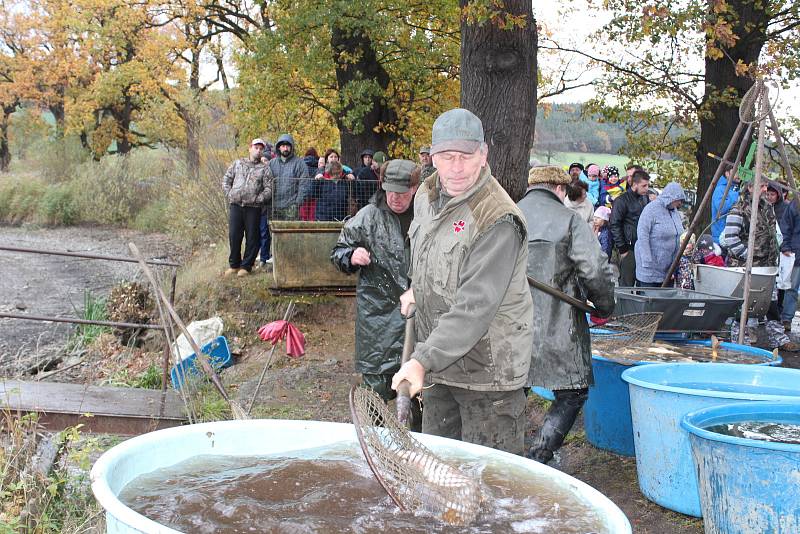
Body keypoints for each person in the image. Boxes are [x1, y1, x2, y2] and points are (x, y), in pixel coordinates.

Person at [390, 108, 533, 455]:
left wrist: (420, 360)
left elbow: (474, 308)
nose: (456, 167)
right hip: (441, 366)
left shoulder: (497, 218)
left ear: (483, 156)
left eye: (466, 156)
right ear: (432, 157)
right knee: (440, 472)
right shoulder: (427, 195)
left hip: (489, 374)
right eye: (446, 156)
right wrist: (417, 288)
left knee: (490, 484)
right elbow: (431, 257)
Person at [518, 165, 615, 464]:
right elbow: (595, 270)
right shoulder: (569, 220)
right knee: (572, 392)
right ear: (559, 189)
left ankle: (502, 451)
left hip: (509, 326)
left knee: (511, 389)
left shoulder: (507, 216)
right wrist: (605, 306)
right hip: (559, 326)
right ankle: (539, 455)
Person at [331, 159, 422, 430]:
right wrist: (351, 255)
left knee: (419, 394)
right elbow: (337, 252)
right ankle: (378, 449)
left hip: (418, 317)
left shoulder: (427, 217)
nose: (395, 198)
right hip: (377, 321)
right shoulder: (368, 216)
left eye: (403, 193)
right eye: (390, 191)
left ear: (415, 188)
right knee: (375, 399)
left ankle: (417, 448)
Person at [723, 180, 798, 351]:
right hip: (745, 267)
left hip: (766, 265)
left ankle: (778, 338)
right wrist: (747, 256)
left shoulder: (766, 207)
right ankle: (740, 337)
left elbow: (774, 233)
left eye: (765, 186)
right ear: (750, 187)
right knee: (743, 305)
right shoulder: (738, 210)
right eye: (762, 186)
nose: (765, 189)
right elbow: (730, 239)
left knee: (770, 304)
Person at [222, 138, 273, 276]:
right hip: (236, 205)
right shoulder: (238, 163)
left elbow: (269, 188)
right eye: (256, 147)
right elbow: (226, 179)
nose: (258, 150)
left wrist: (259, 199)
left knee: (252, 237)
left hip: (253, 207)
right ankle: (234, 265)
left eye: (261, 148)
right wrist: (230, 194)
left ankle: (246, 266)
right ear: (250, 148)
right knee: (234, 235)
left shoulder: (264, 168)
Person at [634, 182, 686, 287]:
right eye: (678, 200)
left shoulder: (674, 211)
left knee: (665, 301)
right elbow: (642, 235)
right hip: (650, 269)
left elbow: (677, 234)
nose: (679, 203)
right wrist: (647, 261)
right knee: (650, 301)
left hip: (668, 269)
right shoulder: (651, 209)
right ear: (671, 197)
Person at [610, 169, 650, 286]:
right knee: (626, 284)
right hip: (628, 248)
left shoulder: (644, 198)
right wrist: (622, 249)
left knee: (641, 283)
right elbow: (614, 224)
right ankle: (623, 305)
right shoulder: (621, 201)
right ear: (635, 184)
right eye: (644, 185)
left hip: (642, 246)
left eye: (648, 185)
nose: (647, 188)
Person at [269, 134, 311, 221]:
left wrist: (297, 203)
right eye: (283, 146)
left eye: (287, 146)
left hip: (291, 206)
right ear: (279, 148)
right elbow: (267, 183)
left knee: (290, 233)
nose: (285, 148)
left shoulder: (300, 163)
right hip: (274, 206)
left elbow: (304, 184)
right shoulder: (271, 163)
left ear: (291, 147)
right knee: (275, 233)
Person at [711, 163, 740, 244]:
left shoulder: (736, 189)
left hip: (733, 235)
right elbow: (722, 208)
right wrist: (738, 195)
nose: (739, 175)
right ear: (727, 173)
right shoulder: (720, 189)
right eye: (736, 172)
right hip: (720, 236)